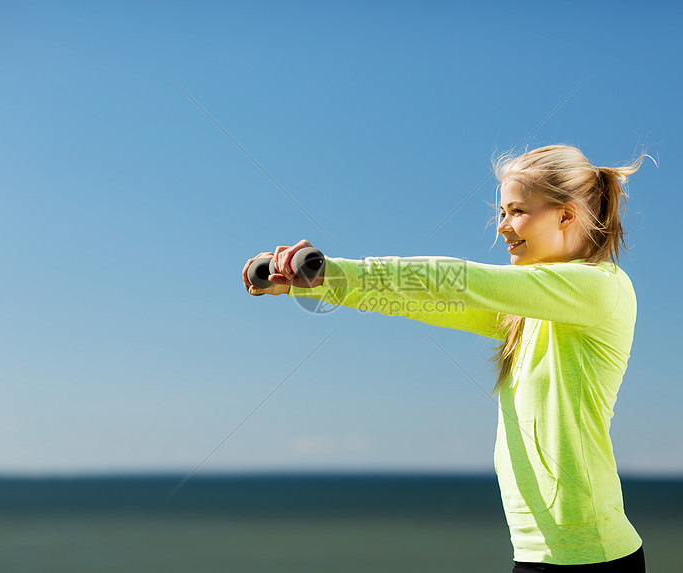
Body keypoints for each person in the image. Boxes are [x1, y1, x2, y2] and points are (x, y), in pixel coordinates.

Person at [242, 144, 648, 572]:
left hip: (592, 559)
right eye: (501, 213)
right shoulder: (527, 311)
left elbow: (452, 282)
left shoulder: (601, 289)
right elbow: (419, 299)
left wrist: (333, 270)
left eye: (517, 212)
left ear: (566, 216)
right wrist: (313, 282)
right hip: (536, 555)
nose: (503, 228)